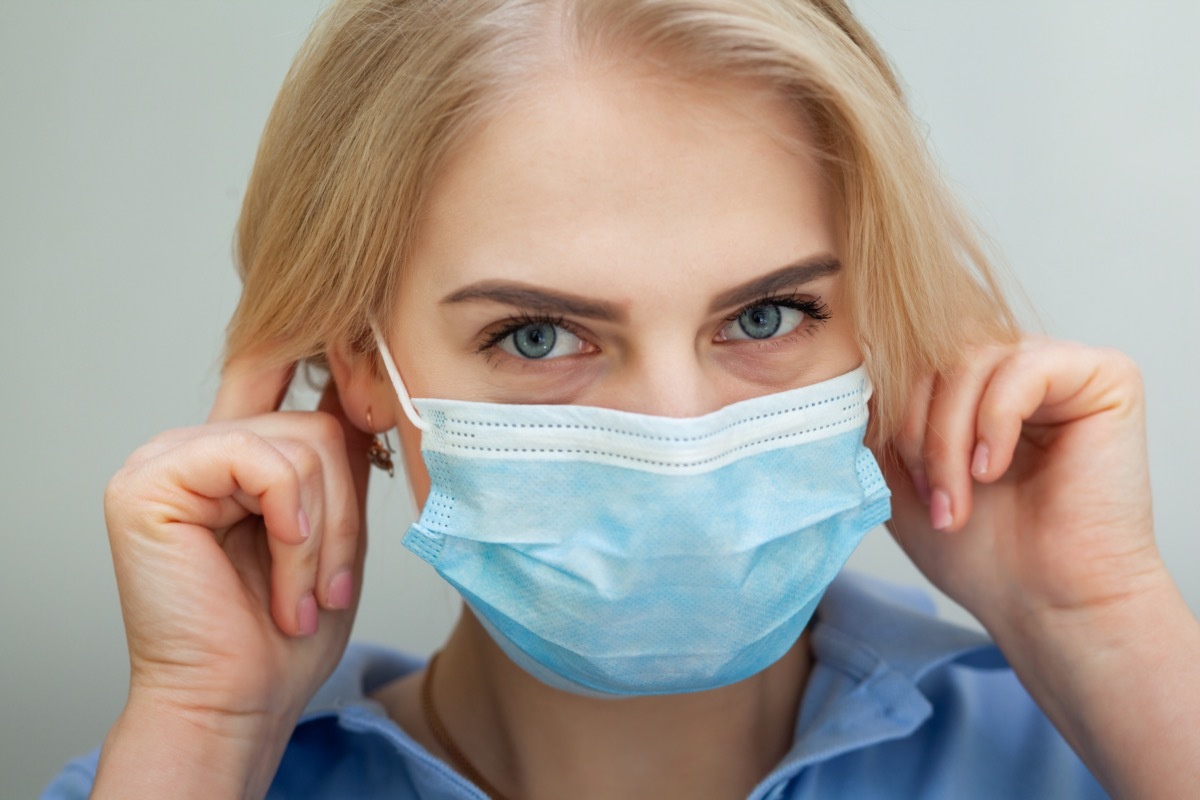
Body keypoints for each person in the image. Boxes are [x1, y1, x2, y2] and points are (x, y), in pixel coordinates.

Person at [42, 1, 1200, 798]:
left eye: (765, 316)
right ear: (358, 361)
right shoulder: (178, 769)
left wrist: (1099, 627)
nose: (679, 433)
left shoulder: (1100, 748)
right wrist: (205, 731)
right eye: (539, 333)